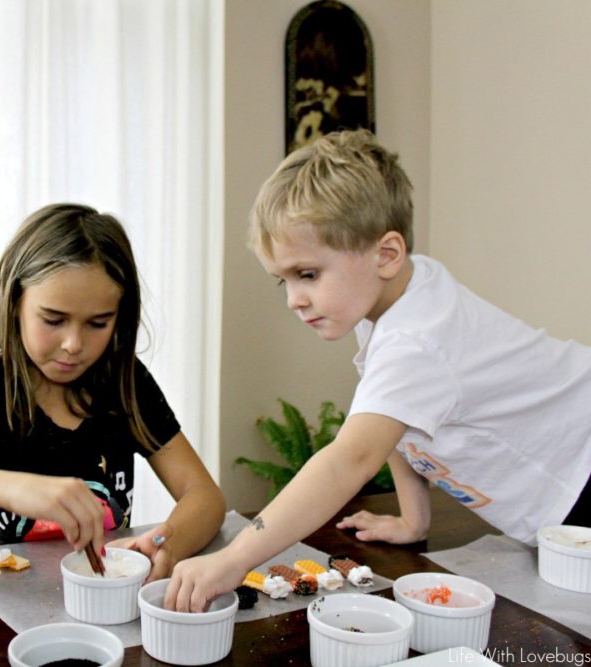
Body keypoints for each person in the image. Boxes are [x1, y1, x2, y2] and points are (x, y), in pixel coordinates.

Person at [164, 129, 591, 612]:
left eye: (307, 274)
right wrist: (414, 520)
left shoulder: (416, 338)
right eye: (281, 280)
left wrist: (233, 559)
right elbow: (397, 421)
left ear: (386, 254)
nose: (293, 299)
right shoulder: (400, 297)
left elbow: (351, 459)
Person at [0, 202, 226, 580]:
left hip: (101, 601)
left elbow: (204, 496)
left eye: (98, 323)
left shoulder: (123, 380)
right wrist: (3, 487)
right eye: (53, 320)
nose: (73, 344)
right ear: (15, 303)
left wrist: (167, 543)